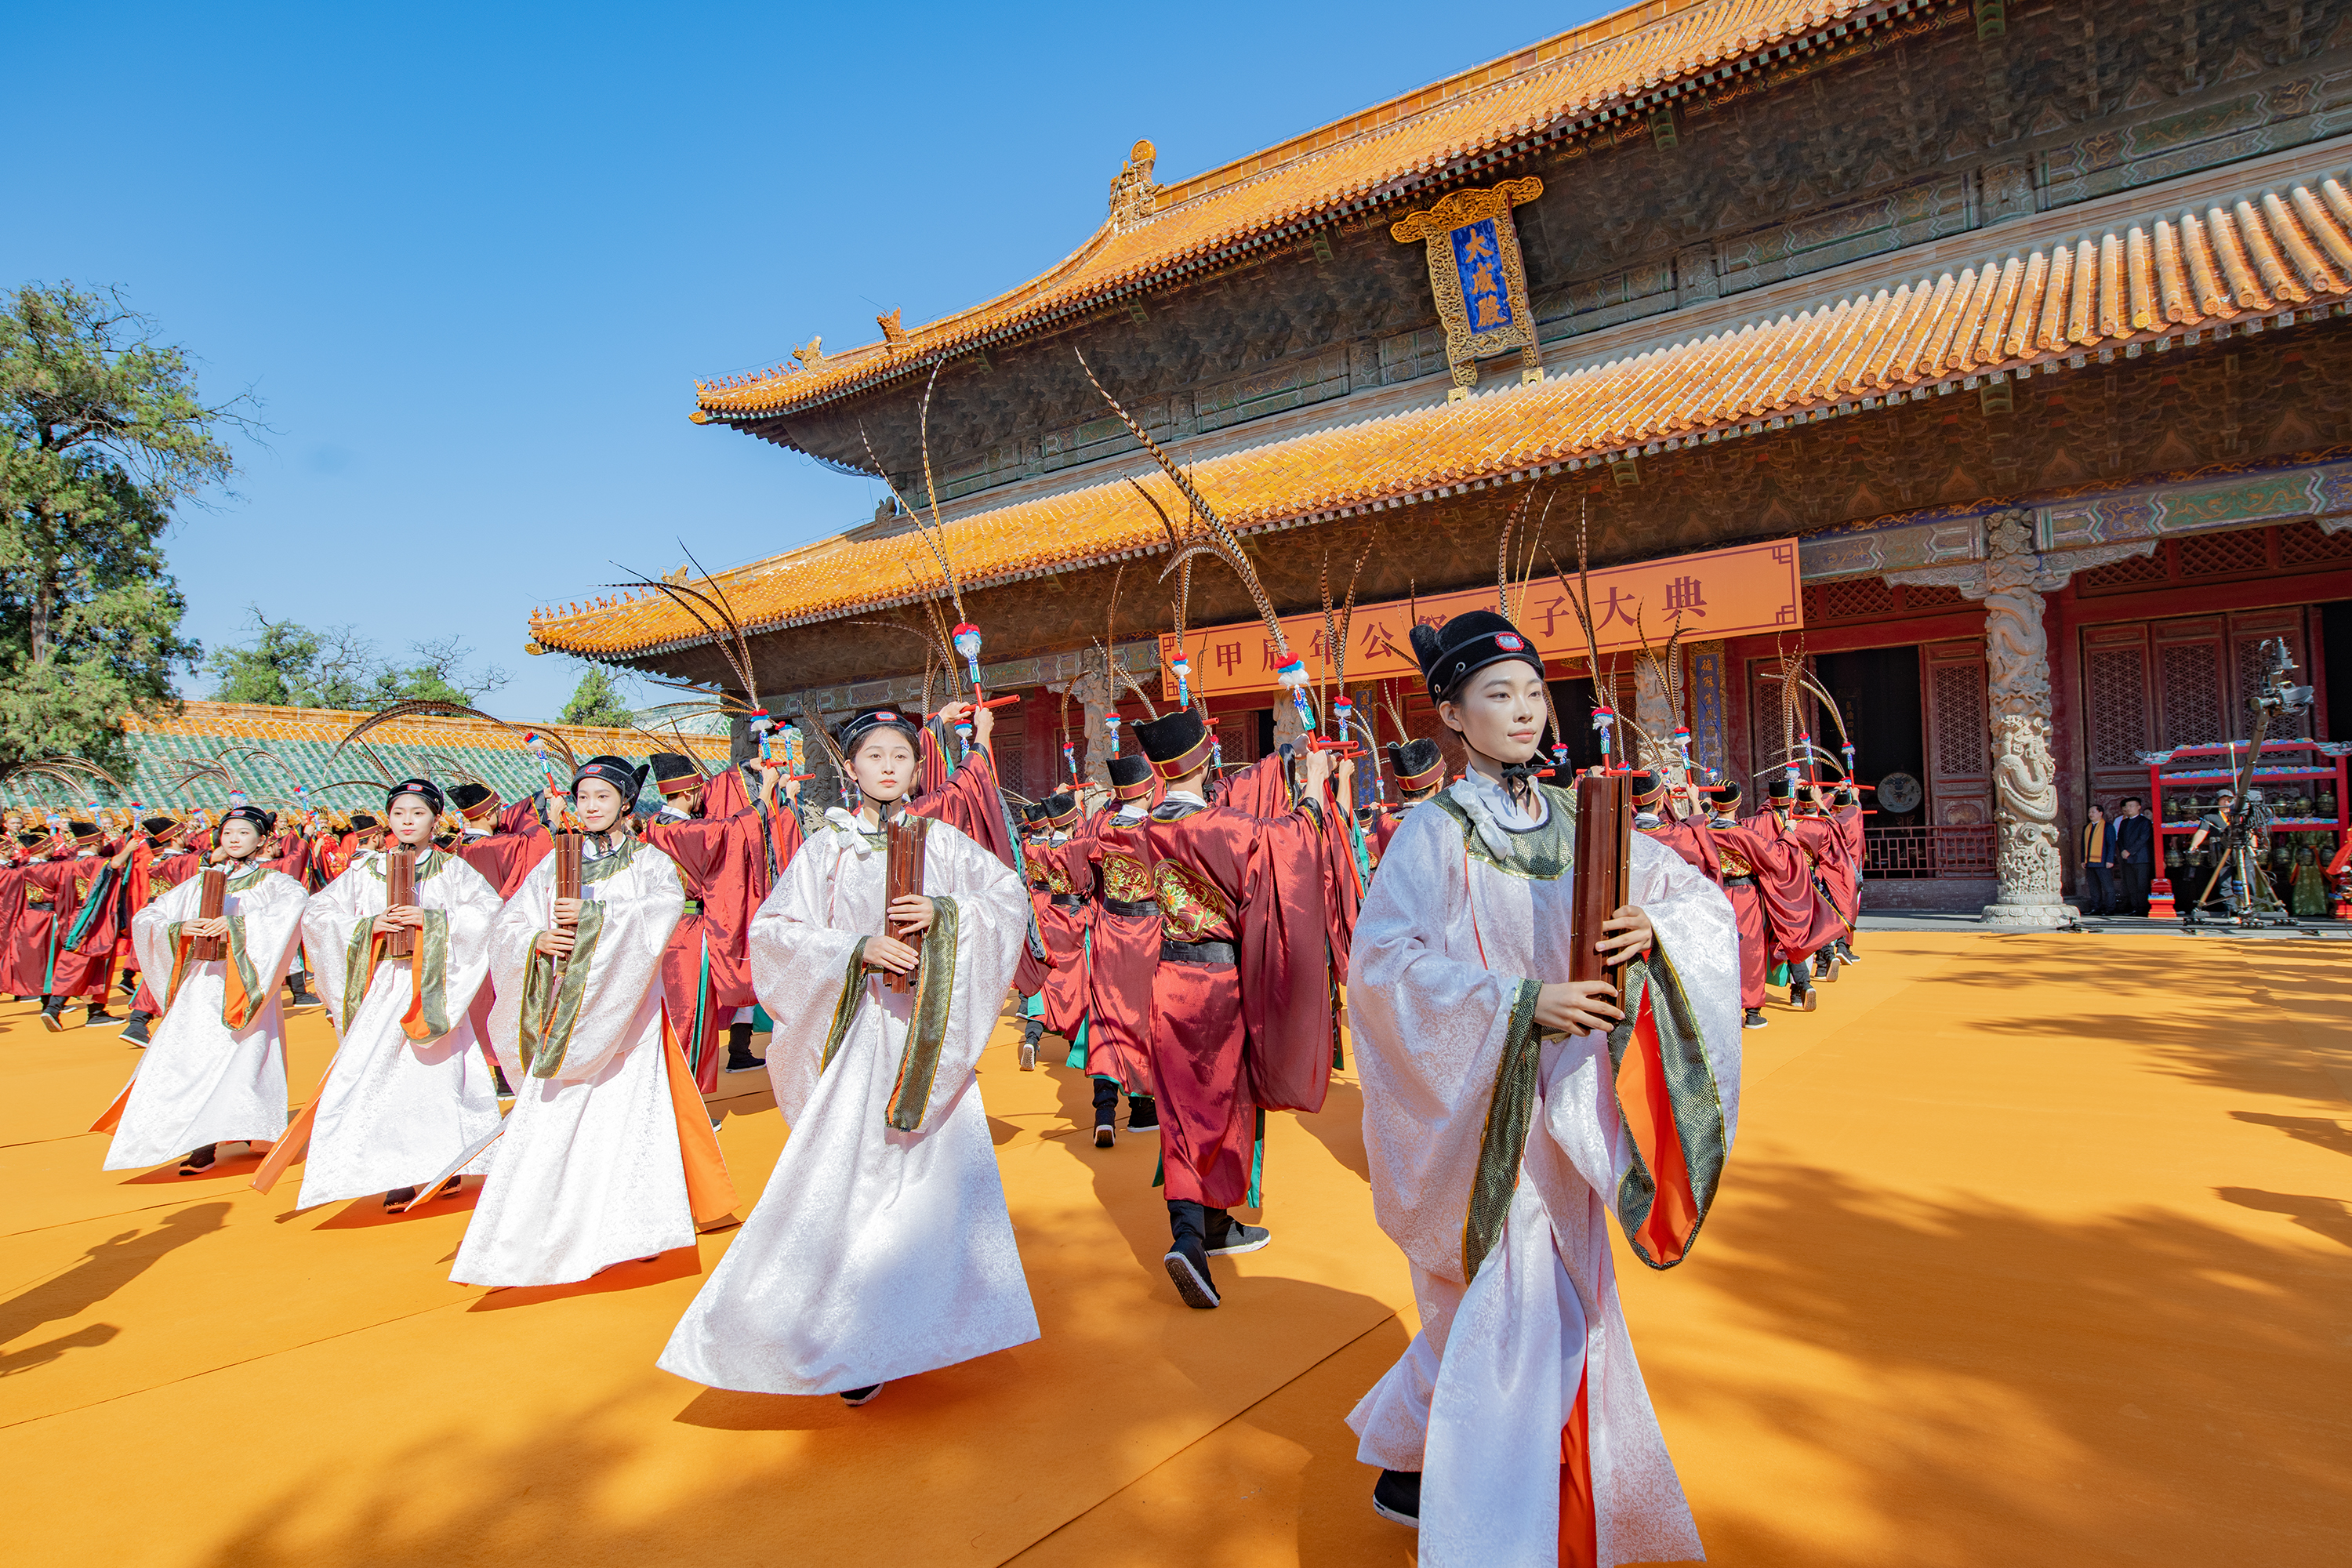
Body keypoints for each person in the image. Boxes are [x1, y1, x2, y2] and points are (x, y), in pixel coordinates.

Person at [1344, 608, 1740, 1560]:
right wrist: (1520, 1005)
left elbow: (1696, 903)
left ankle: (1417, 1460)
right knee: (1517, 1307)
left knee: (1546, 1304)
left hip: (1570, 1113)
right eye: (1497, 695)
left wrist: (1653, 935)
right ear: (1453, 713)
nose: (1524, 711)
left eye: (1533, 693)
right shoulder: (1434, 834)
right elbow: (1383, 966)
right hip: (1483, 1114)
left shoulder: (1581, 819)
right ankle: (1494, 1531)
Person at [657, 705, 1036, 1406]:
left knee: (931, 1182)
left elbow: (1006, 898)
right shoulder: (826, 848)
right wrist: (855, 949)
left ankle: (928, 1320)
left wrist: (944, 915)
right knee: (852, 1174)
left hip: (926, 1037)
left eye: (901, 757)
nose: (888, 767)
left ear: (918, 769)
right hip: (858, 1035)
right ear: (851, 769)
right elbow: (774, 931)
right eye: (874, 757)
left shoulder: (942, 843)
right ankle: (840, 1329)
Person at [452, 756, 732, 1288]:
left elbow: (660, 912)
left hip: (628, 1017)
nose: (592, 807)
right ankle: (540, 1226)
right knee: (555, 1112)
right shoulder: (558, 864)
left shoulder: (648, 863)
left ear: (626, 803)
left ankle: (638, 1224)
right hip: (569, 1012)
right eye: (583, 798)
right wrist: (539, 940)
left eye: (603, 797)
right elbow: (510, 923)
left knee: (629, 1113)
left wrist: (594, 920)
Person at [1133, 706, 1333, 1310]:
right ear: (1208, 759)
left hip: (1166, 975)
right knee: (1223, 1104)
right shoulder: (1223, 828)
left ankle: (1202, 1232)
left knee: (1181, 1109)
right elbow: (1290, 848)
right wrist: (1317, 792)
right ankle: (1200, 1236)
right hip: (1218, 981)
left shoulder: (1141, 829)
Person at [296, 779, 506, 1211]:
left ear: (436, 819)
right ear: (387, 818)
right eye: (399, 813)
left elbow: (487, 913)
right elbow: (318, 913)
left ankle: (446, 1160)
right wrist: (368, 926)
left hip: (434, 984)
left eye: (419, 813)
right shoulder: (365, 869)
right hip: (383, 985)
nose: (408, 821)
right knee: (379, 1073)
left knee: (436, 1074)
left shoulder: (453, 869)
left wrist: (431, 919)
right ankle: (398, 1168)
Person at [103, 804, 310, 1177]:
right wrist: (181, 929)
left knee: (246, 1058)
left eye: (244, 833)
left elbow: (292, 911)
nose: (234, 838)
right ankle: (202, 1138)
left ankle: (241, 1126)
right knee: (195, 1057)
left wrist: (234, 926)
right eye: (229, 832)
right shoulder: (199, 883)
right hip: (201, 986)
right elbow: (148, 917)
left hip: (247, 987)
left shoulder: (275, 884)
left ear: (262, 841)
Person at [1073, 753, 1162, 1146]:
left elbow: (1086, 875)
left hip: (1110, 928)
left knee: (1107, 1014)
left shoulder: (1101, 830)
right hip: (1148, 930)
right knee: (1146, 1016)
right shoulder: (1158, 830)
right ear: (1147, 793)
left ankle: (1105, 1111)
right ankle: (1144, 1107)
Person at [2185, 790, 2256, 912]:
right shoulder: (2210, 817)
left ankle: (2250, 907)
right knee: (2225, 882)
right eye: (2223, 799)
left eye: (2229, 799)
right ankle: (2232, 909)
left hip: (2241, 850)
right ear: (2217, 801)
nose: (2227, 802)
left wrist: (2254, 849)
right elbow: (2202, 832)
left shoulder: (2240, 816)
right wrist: (2194, 845)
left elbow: (2250, 832)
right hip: (2221, 852)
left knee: (2249, 880)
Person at [2111, 795, 2156, 916]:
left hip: (2141, 858)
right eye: (2127, 806)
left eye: (2132, 806)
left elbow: (2143, 839)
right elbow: (2119, 838)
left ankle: (2143, 908)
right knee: (2131, 885)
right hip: (2126, 858)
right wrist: (2123, 851)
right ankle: (2134, 907)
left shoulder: (2145, 822)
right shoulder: (2124, 822)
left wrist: (2129, 851)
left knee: (2142, 885)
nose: (2129, 808)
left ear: (2139, 807)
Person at [2078, 802, 2117, 917]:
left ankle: (2110, 909)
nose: (2091, 814)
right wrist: (2083, 860)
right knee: (2094, 888)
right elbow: (2083, 845)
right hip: (2090, 862)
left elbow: (2111, 845)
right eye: (2090, 812)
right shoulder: (2087, 828)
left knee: (2108, 887)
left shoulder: (2108, 827)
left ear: (2101, 813)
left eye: (2093, 812)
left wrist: (2110, 860)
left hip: (2103, 862)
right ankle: (2096, 908)